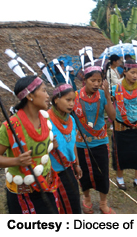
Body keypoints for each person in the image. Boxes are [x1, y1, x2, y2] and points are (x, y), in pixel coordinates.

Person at [0, 76, 59, 214]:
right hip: (23, 193)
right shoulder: (9, 127)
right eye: (44, 91)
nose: (48, 96)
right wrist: (16, 161)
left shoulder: (44, 119)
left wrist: (50, 145)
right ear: (30, 96)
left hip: (46, 184)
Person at [73, 65, 116, 214]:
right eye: (93, 80)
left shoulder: (103, 95)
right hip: (80, 142)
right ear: (85, 80)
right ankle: (87, 199)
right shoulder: (75, 96)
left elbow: (112, 117)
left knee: (102, 172)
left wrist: (108, 97)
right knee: (83, 172)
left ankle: (103, 203)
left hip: (100, 141)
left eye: (99, 80)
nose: (97, 84)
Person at [111, 59, 137, 191]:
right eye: (132, 72)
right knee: (121, 153)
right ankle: (120, 179)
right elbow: (109, 105)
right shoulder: (116, 89)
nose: (135, 76)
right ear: (125, 72)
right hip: (121, 126)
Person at [48, 83, 82, 214]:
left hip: (68, 169)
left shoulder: (71, 120)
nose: (71, 104)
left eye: (73, 100)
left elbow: (72, 143)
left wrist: (77, 164)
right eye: (68, 100)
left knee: (73, 206)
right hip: (51, 174)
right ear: (56, 99)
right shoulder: (45, 121)